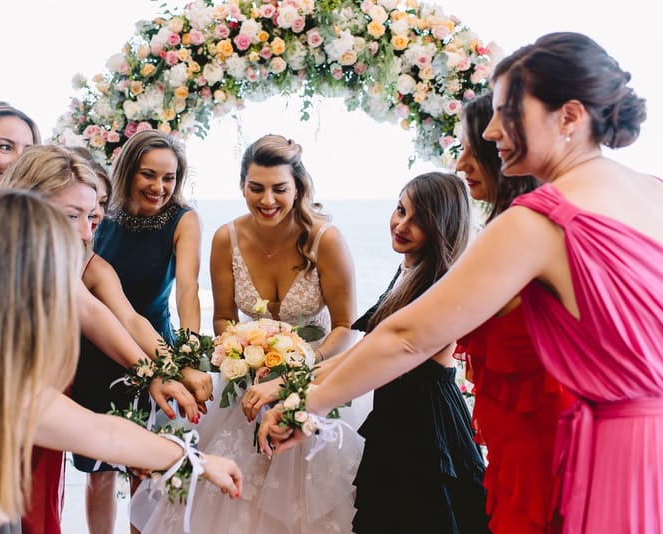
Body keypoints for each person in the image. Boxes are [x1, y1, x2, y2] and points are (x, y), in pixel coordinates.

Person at [260, 32, 661, 534]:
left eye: (508, 112)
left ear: (570, 117)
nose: (492, 130)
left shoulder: (536, 222)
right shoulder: (653, 193)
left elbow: (409, 337)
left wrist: (304, 408)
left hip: (608, 459)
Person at [142, 134, 366, 533]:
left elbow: (346, 326)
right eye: (256, 188)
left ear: (297, 188)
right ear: (242, 185)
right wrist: (242, 351)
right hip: (250, 379)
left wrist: (299, 368)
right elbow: (223, 318)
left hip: (317, 377)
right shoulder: (226, 238)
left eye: (279, 188)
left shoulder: (325, 240)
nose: (267, 200)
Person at [0, 145, 210, 534]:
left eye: (93, 215)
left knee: (24, 503)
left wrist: (160, 373)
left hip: (46, 390)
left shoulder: (78, 260)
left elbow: (108, 315)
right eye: (73, 215)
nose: (86, 231)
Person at [76, 130, 207, 533]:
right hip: (96, 347)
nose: (159, 187)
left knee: (145, 466)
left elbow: (187, 289)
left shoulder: (183, 219)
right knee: (98, 467)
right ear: (129, 171)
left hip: (153, 346)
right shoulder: (99, 213)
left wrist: (186, 355)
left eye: (169, 178)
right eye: (149, 175)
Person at [343, 172, 489, 533]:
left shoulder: (441, 285)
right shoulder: (410, 269)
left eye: (419, 219)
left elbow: (378, 356)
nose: (402, 225)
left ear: (442, 227)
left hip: (426, 426)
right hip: (397, 418)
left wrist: (308, 389)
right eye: (400, 210)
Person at [454, 92, 573, 534]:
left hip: (541, 435)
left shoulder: (524, 232)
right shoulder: (513, 227)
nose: (460, 164)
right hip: (512, 437)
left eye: (473, 150)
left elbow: (412, 337)